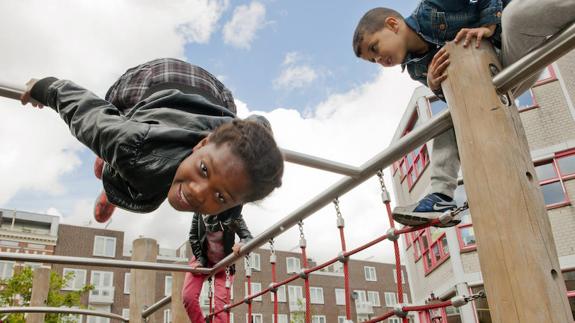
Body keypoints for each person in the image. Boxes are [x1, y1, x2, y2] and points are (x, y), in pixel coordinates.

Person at [352, 0, 575, 227]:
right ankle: (441, 195)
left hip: (512, 50)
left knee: (515, 16)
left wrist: (488, 25)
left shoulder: (433, 7)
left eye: (375, 48)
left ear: (392, 24)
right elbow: (455, 98)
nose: (380, 61)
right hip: (493, 84)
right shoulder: (416, 68)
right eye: (373, 61)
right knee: (449, 117)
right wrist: (435, 85)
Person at [20, 58, 284, 224]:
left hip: (215, 95)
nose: (197, 192)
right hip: (150, 79)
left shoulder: (230, 166)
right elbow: (90, 115)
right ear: (201, 144)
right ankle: (109, 178)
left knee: (245, 171)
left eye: (220, 195)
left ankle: (113, 152)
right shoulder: (138, 149)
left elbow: (258, 124)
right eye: (204, 170)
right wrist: (45, 88)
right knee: (142, 191)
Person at [182, 211, 251, 322]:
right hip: (202, 257)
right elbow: (193, 236)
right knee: (188, 296)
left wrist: (242, 243)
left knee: (222, 305)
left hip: (224, 262)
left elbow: (247, 237)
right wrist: (200, 259)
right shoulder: (199, 212)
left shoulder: (233, 212)